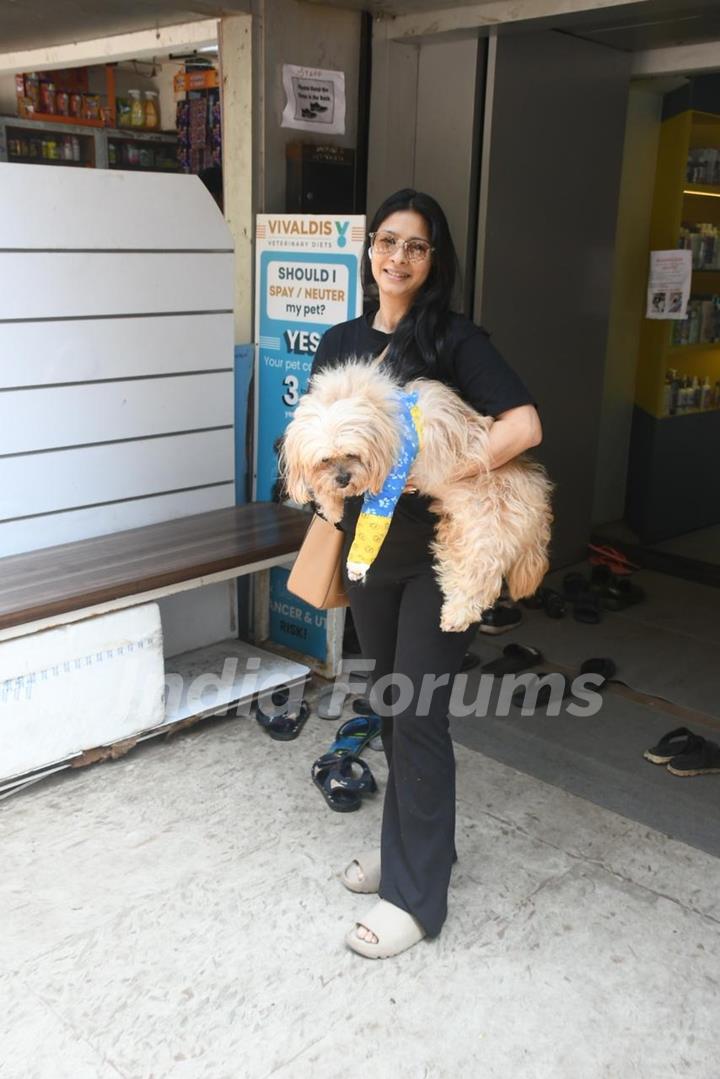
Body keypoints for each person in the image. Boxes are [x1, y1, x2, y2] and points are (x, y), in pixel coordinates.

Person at [309, 189, 542, 959]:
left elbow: (524, 424)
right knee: (386, 701)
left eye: (415, 245)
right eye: (387, 240)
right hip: (369, 554)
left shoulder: (453, 338)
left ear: (433, 259)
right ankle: (413, 844)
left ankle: (415, 897)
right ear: (369, 248)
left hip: (443, 553)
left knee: (419, 713)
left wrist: (441, 469)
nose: (398, 257)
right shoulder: (341, 339)